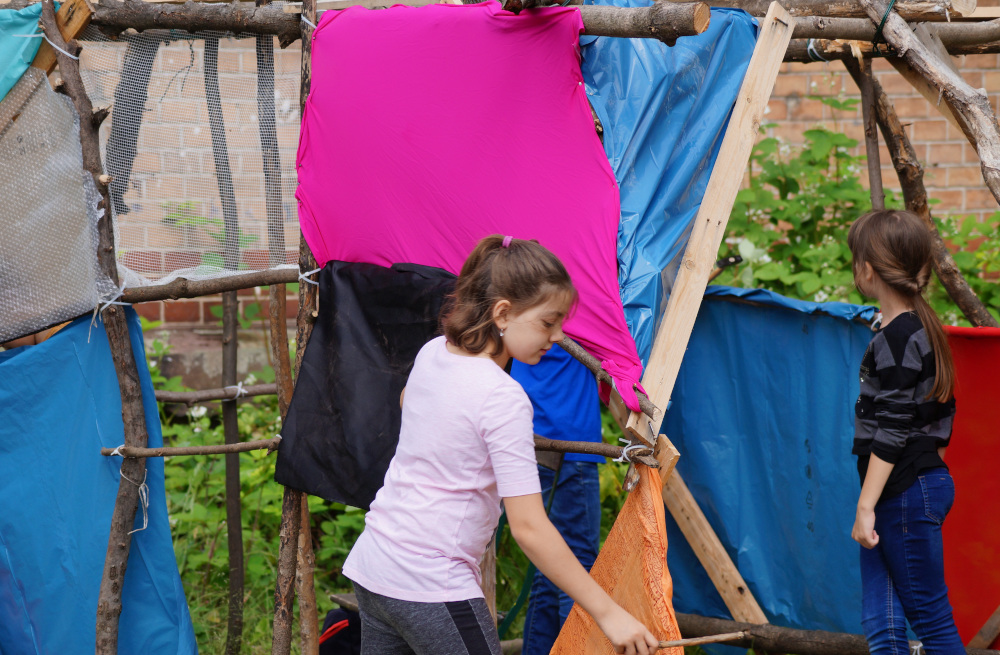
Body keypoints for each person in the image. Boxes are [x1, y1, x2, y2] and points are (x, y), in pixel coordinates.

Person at [343, 235, 659, 655]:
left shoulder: (434, 352)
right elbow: (529, 528)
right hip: (431, 584)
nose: (558, 337)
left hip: (374, 567)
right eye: (548, 323)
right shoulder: (503, 398)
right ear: (503, 313)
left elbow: (407, 400)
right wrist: (609, 613)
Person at [848, 210, 964, 654]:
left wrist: (865, 505)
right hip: (905, 491)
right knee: (882, 625)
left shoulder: (898, 338)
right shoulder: (912, 329)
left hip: (903, 492)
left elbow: (893, 429)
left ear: (868, 269)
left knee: (932, 625)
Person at [511, 344, 603, 655]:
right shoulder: (576, 300)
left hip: (535, 436)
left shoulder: (526, 300)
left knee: (552, 565)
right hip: (568, 439)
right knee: (579, 566)